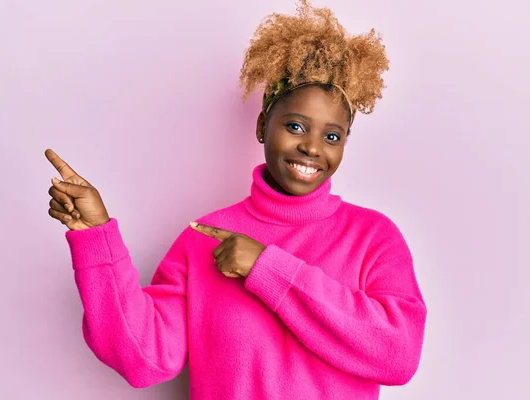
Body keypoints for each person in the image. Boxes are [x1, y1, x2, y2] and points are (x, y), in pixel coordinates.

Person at [45, 1, 427, 398]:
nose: (312, 148)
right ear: (264, 125)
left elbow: (398, 355)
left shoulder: (373, 237)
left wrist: (266, 267)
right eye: (295, 126)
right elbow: (144, 358)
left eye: (332, 136)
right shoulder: (204, 238)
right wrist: (96, 240)